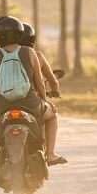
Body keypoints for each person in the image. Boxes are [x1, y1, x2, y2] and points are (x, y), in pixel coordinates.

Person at [0, 16, 65, 168]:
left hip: (2, 105)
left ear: (0, 36)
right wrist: (43, 100)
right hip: (29, 103)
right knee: (52, 115)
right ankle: (50, 154)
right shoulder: (30, 53)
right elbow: (39, 82)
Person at [19, 22, 66, 165]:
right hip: (32, 102)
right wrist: (54, 92)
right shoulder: (36, 55)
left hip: (6, 102)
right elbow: (51, 80)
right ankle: (50, 154)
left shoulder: (3, 55)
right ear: (32, 39)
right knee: (52, 115)